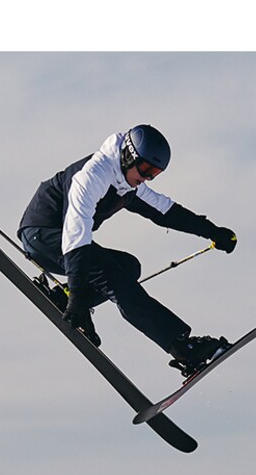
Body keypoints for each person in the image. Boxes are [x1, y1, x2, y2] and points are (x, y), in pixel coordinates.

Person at [18, 124, 238, 376]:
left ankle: (62, 298)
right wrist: (78, 295)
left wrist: (212, 231)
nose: (147, 177)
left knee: (129, 267)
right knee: (115, 277)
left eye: (154, 172)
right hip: (41, 234)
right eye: (145, 169)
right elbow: (76, 234)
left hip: (65, 242)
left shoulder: (128, 183)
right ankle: (182, 347)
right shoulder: (93, 175)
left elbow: (166, 211)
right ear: (128, 155)